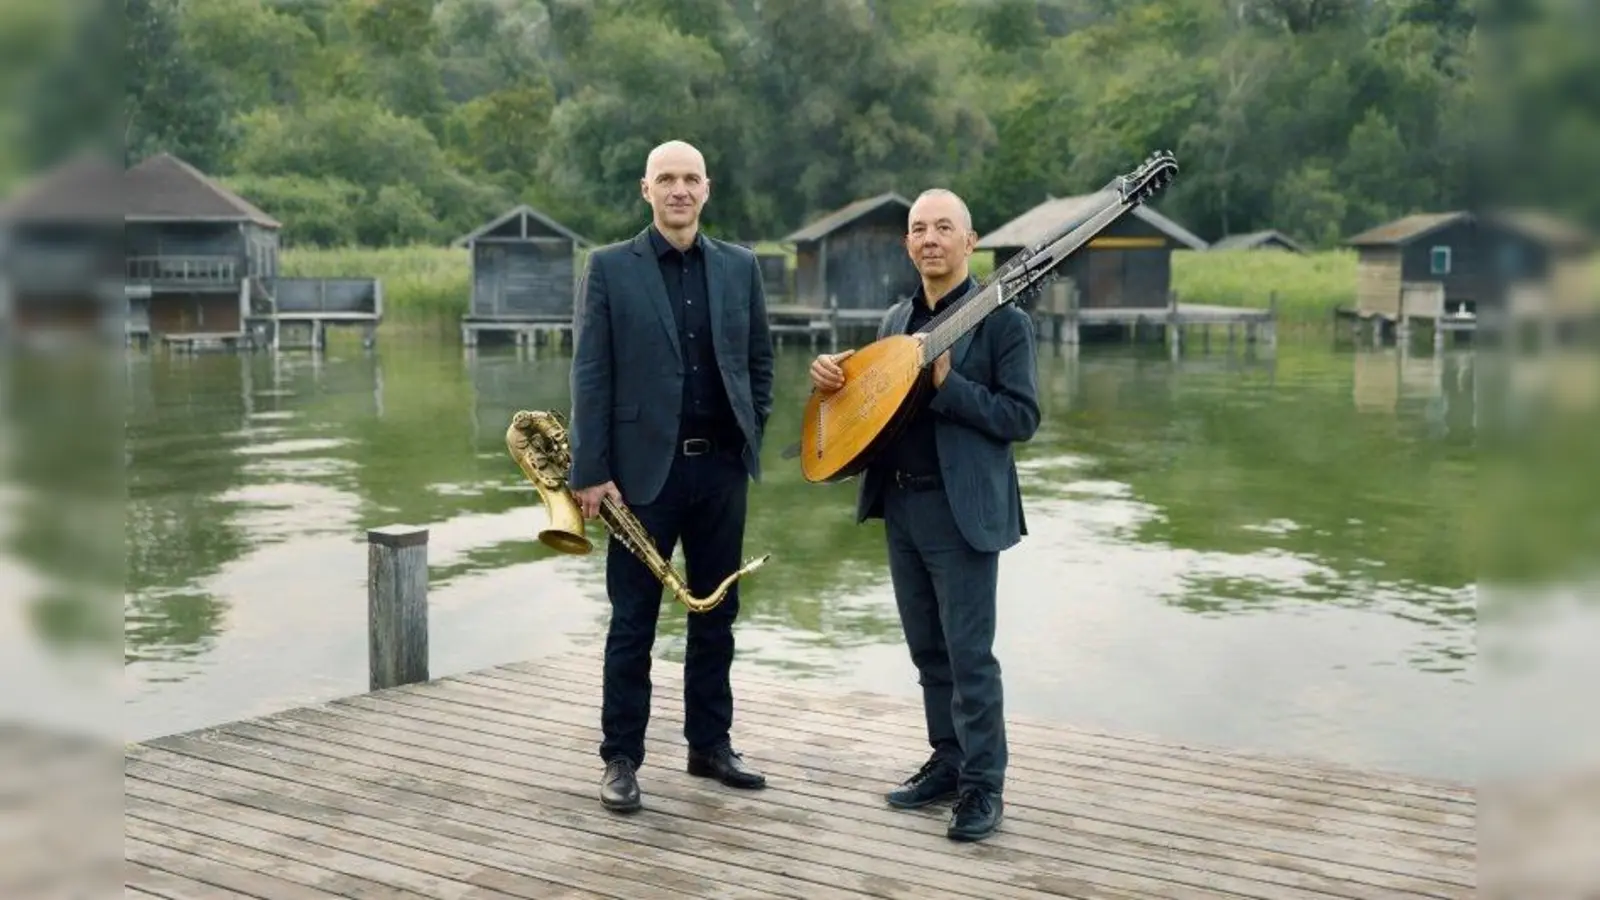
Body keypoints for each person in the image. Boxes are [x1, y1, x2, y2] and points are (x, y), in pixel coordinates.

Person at [809, 188, 1039, 842]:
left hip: (961, 512)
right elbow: (868, 409)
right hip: (903, 505)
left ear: (970, 241)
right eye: (918, 229)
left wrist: (948, 385)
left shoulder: (1003, 321)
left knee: (970, 658)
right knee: (929, 652)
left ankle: (983, 787)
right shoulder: (895, 320)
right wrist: (832, 382)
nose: (930, 238)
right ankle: (948, 761)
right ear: (908, 244)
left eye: (943, 227)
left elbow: (1021, 417)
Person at [567, 139, 775, 813]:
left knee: (718, 615)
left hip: (721, 470)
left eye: (690, 179)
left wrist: (750, 432)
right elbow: (591, 373)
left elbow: (759, 363)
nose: (679, 190)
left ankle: (709, 745)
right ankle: (620, 758)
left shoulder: (741, 266)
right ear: (646, 189)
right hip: (637, 478)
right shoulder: (608, 268)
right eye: (666, 179)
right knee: (633, 622)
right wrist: (591, 472)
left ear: (706, 189)